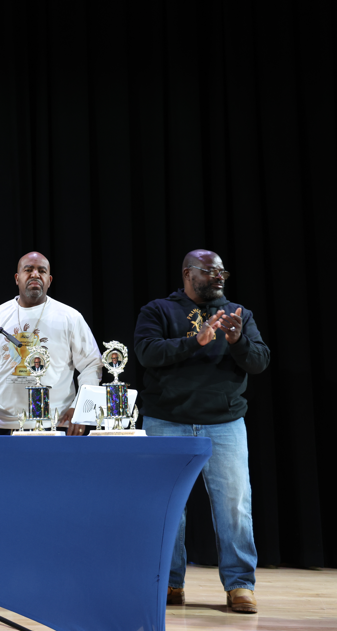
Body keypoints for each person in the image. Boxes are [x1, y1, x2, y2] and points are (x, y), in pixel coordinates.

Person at [133, 249, 270, 614]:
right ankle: (169, 583)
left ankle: (240, 584)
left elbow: (258, 362)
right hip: (166, 420)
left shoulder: (239, 314)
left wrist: (238, 340)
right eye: (210, 271)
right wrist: (198, 340)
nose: (219, 277)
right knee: (166, 508)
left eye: (222, 271)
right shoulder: (159, 311)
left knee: (234, 506)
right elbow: (147, 353)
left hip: (223, 424)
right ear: (188, 273)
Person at [0, 252, 100, 435]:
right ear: (17, 278)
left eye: (41, 271)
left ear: (49, 280)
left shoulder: (70, 317)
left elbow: (92, 364)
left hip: (55, 423)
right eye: (28, 270)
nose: (35, 274)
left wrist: (80, 408)